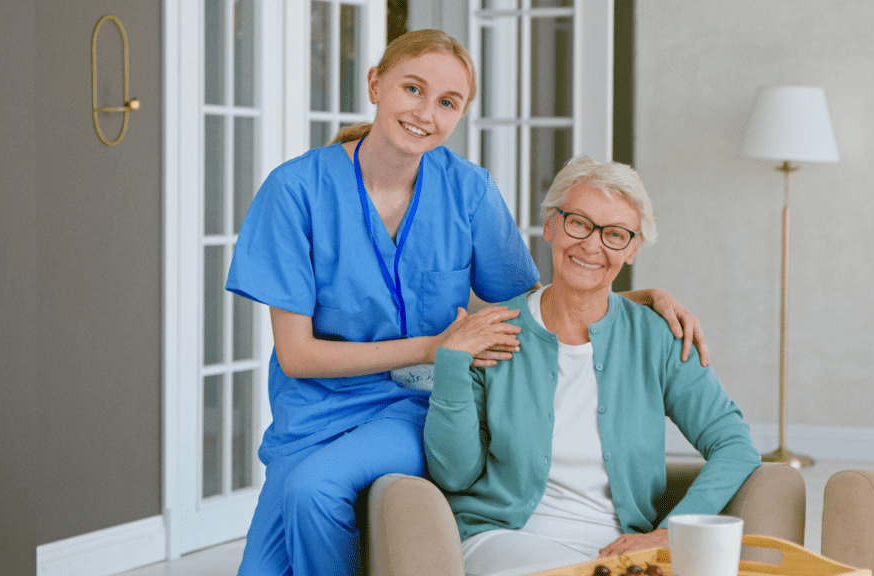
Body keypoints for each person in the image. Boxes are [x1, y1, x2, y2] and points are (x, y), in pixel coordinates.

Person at [226, 30, 708, 575]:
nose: (426, 112)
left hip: (414, 407)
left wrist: (635, 297)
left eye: (447, 103)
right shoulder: (294, 191)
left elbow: (532, 303)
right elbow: (297, 357)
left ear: (459, 116)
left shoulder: (469, 190)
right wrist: (435, 346)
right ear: (375, 84)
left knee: (315, 490)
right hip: (310, 411)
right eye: (413, 89)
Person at [424, 155, 762, 576]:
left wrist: (668, 534)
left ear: (633, 248)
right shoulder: (492, 332)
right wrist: (453, 365)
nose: (592, 245)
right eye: (579, 223)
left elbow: (734, 444)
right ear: (550, 224)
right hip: (505, 539)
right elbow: (453, 475)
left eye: (615, 234)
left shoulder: (657, 336)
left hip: (620, 552)